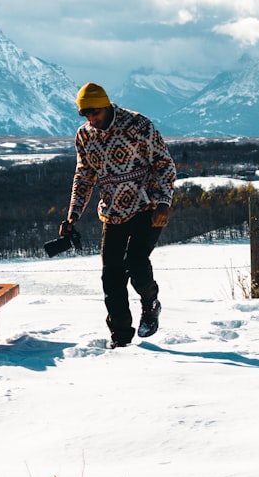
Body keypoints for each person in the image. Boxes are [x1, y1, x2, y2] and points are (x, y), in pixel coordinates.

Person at [59, 82, 177, 348]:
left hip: (147, 207)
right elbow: (84, 177)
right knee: (111, 279)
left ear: (106, 105)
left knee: (136, 262)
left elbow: (164, 164)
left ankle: (150, 303)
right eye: (86, 115)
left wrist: (163, 202)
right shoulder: (85, 136)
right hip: (112, 213)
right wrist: (72, 217)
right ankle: (121, 338)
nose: (92, 119)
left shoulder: (138, 125)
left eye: (95, 113)